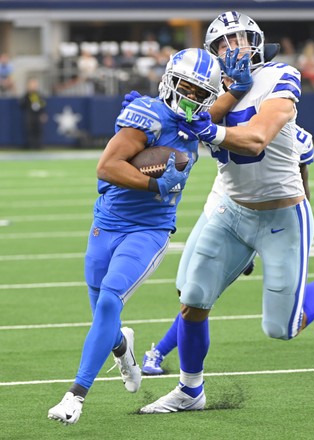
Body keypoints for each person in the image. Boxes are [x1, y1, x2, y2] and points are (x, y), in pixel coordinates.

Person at [138, 11, 314, 414]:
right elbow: (179, 128)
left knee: (282, 328)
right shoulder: (209, 88)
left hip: (281, 216)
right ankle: (190, 390)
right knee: (192, 297)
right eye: (223, 43)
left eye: (240, 39)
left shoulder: (281, 75)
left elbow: (258, 137)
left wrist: (209, 130)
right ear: (212, 51)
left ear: (256, 42)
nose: (233, 48)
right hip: (230, 209)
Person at [47, 47, 222, 425]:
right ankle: (122, 347)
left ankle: (75, 396)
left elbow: (232, 121)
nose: (192, 98)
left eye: (199, 93)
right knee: (103, 320)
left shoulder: (200, 122)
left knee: (110, 301)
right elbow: (107, 166)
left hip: (149, 229)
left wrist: (238, 87)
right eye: (186, 88)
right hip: (106, 224)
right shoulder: (147, 114)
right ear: (170, 80)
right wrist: (153, 184)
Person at [141, 124, 314, 375]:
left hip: (269, 216)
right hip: (223, 206)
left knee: (282, 326)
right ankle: (168, 362)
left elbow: (300, 185)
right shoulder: (224, 108)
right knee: (188, 290)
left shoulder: (294, 133)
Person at [19, 78, 48, 149]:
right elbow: (22, 104)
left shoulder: (39, 95)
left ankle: (38, 145)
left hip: (38, 115)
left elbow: (43, 105)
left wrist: (43, 114)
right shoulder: (27, 95)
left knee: (38, 130)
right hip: (30, 115)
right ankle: (31, 145)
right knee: (30, 130)